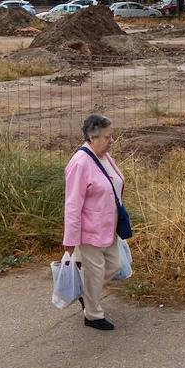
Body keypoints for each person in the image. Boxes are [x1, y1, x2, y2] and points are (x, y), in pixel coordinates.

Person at [63, 114, 126, 331]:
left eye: (112, 136)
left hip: (109, 227)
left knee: (115, 265)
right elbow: (72, 205)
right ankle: (92, 315)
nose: (112, 141)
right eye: (107, 137)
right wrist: (70, 240)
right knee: (96, 272)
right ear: (92, 137)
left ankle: (85, 290)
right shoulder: (80, 163)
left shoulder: (105, 157)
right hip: (89, 230)